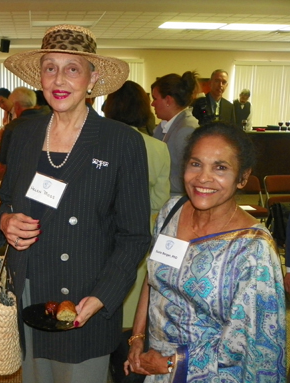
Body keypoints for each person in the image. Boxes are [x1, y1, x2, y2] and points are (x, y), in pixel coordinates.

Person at [0, 24, 151, 383]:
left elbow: (135, 236)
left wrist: (102, 297)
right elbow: (5, 204)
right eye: (50, 67)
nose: (59, 79)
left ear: (92, 79)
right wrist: (5, 222)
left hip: (84, 296)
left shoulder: (120, 141)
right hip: (30, 289)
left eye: (72, 69)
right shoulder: (25, 134)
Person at [125, 122, 286, 382]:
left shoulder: (253, 248)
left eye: (220, 167)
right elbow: (151, 279)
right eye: (196, 164)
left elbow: (245, 339)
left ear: (243, 177)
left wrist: (170, 362)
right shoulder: (171, 211)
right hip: (154, 364)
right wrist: (137, 338)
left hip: (212, 374)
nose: (203, 178)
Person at [104, 80, 171, 335]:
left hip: (106, 228)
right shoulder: (159, 148)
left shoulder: (102, 143)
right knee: (137, 301)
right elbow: (160, 200)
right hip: (144, 229)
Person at [152, 71, 199, 196]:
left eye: (155, 99)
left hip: (177, 204)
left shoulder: (186, 130)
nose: (152, 104)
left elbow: (189, 178)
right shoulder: (163, 127)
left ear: (168, 100)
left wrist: (151, 181)